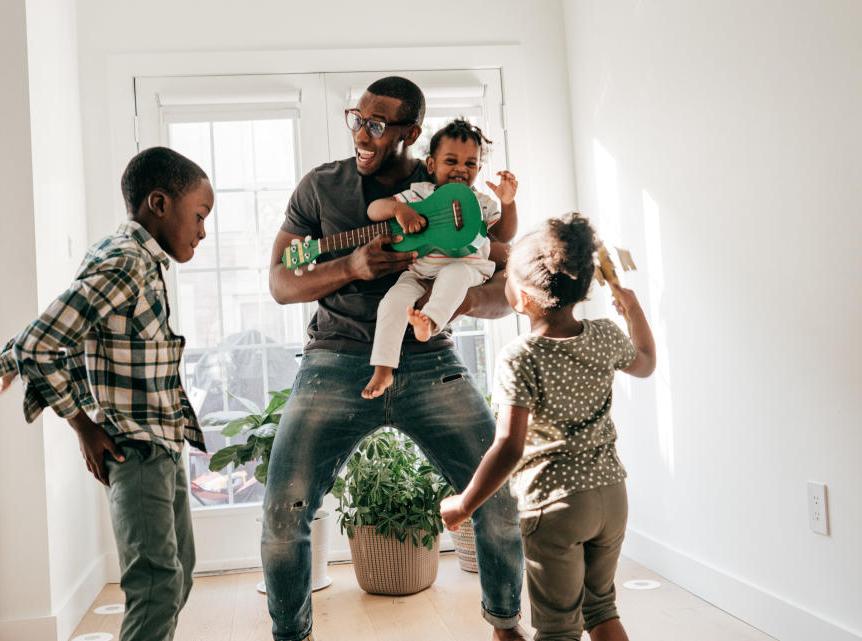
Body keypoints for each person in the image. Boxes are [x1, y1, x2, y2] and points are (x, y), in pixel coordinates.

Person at [265, 76, 530, 641]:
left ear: (413, 135)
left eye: (378, 124)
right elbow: (282, 280)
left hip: (430, 359)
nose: (363, 132)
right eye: (356, 119)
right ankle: (291, 635)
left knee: (498, 497)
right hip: (334, 360)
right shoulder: (320, 188)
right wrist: (350, 269)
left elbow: (507, 278)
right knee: (283, 514)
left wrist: (449, 302)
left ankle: (507, 627)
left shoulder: (445, 181)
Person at [0, 146, 214, 641]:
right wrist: (82, 424)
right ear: (159, 203)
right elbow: (45, 342)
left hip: (163, 442)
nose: (202, 232)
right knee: (157, 587)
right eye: (199, 216)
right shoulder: (126, 262)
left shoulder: (131, 259)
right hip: (137, 451)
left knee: (178, 575)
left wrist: (8, 362)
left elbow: (57, 335)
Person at [440, 214, 656, 641]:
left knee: (558, 630)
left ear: (521, 298)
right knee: (602, 609)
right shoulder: (606, 335)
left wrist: (464, 505)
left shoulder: (521, 356)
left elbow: (508, 447)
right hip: (611, 495)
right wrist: (631, 308)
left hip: (555, 506)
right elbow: (647, 363)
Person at [362, 118, 518, 399]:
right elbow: (374, 210)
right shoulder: (420, 193)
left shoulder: (481, 202)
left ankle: (430, 323)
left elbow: (505, 235)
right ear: (432, 165)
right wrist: (399, 211)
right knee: (392, 302)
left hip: (467, 267)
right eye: (451, 161)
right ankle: (383, 369)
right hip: (419, 270)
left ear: (479, 170)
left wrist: (507, 203)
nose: (460, 169)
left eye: (470, 164)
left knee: (454, 276)